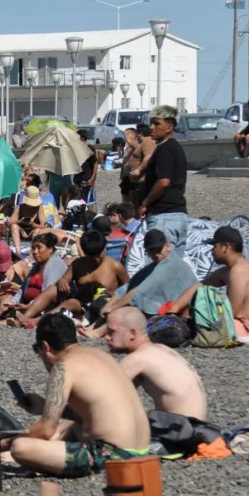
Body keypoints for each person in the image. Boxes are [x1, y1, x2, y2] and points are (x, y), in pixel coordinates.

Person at [9, 314, 151, 477]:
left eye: (37, 350)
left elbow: (46, 430)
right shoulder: (101, 355)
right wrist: (42, 407)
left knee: (20, 447)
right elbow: (90, 413)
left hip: (115, 456)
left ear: (46, 347)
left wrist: (4, 443)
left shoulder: (62, 368)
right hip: (144, 450)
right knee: (76, 427)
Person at [169, 226, 249, 348]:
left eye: (215, 246)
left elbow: (231, 311)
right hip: (248, 323)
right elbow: (200, 285)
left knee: (195, 330)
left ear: (226, 247)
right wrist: (175, 308)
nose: (212, 251)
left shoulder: (239, 270)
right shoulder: (229, 269)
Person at [81, 230, 198, 338]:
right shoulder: (158, 263)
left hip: (184, 316)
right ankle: (93, 327)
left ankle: (99, 331)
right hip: (169, 307)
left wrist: (113, 308)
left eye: (158, 250)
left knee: (133, 309)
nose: (155, 254)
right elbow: (130, 285)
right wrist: (110, 304)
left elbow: (139, 292)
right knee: (126, 303)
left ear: (167, 247)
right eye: (151, 251)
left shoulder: (169, 265)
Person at [104, 307, 207, 420]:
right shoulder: (161, 349)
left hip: (180, 432)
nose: (106, 337)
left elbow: (105, 396)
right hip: (197, 427)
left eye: (111, 332)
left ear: (132, 333)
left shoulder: (137, 359)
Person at [139, 106, 188, 254]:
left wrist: (144, 203)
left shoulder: (165, 149)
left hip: (163, 216)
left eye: (157, 124)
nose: (152, 127)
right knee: (172, 269)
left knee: (159, 268)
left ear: (169, 127)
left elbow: (163, 182)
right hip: (178, 215)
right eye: (151, 123)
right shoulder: (175, 147)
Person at [52, 230, 129, 323]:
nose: (96, 259)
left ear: (104, 249)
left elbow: (129, 289)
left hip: (105, 307)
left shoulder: (115, 267)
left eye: (98, 255)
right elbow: (64, 279)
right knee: (56, 293)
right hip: (82, 305)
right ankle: (40, 319)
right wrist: (61, 281)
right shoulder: (78, 264)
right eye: (92, 256)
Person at [9, 185, 47, 256]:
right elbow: (10, 223)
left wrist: (32, 224)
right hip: (21, 230)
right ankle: (18, 252)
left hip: (33, 231)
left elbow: (44, 226)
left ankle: (31, 255)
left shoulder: (39, 207)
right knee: (14, 226)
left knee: (37, 230)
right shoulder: (21, 206)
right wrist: (20, 221)